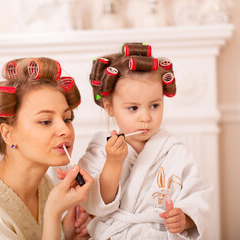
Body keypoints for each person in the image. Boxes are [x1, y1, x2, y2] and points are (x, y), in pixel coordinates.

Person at [0, 57, 94, 240]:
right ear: (8, 134)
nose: (64, 130)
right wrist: (53, 213)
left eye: (67, 119)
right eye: (45, 121)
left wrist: (67, 234)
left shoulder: (43, 186)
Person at [75, 43, 212, 239]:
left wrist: (185, 217)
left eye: (154, 105)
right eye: (133, 108)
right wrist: (113, 163)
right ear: (109, 107)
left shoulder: (175, 151)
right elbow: (95, 203)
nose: (146, 117)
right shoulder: (100, 148)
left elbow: (199, 194)